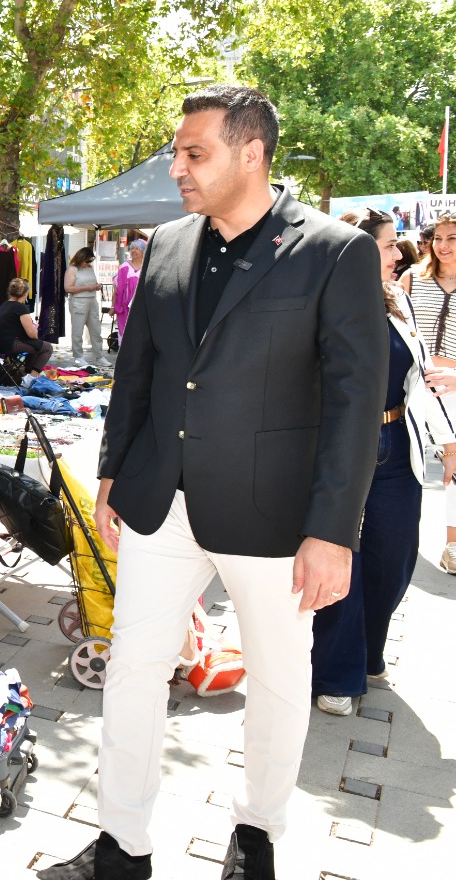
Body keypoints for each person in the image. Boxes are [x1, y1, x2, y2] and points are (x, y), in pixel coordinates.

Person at [42, 85, 385, 880]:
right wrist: (113, 475)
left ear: (252, 153)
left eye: (194, 153)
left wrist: (332, 531)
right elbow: (138, 374)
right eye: (178, 151)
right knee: (132, 667)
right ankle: (121, 847)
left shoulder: (335, 252)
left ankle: (257, 835)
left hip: (275, 517)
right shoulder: (166, 244)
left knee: (276, 678)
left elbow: (354, 403)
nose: (178, 168)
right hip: (162, 501)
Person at [310, 209, 456, 716]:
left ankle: (369, 652)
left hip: (397, 443)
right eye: (390, 245)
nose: (401, 254)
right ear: (356, 248)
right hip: (341, 449)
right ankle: (336, 672)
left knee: (393, 559)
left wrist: (448, 440)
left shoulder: (398, 300)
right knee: (337, 560)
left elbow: (418, 380)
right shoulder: (321, 300)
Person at [398, 213, 456, 572]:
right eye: (438, 238)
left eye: (452, 238)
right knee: (402, 460)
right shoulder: (413, 278)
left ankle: (452, 544)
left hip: (452, 385)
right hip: (411, 384)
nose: (443, 246)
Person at [0, 278, 53, 373]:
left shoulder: (5, 305)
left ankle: (28, 371)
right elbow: (32, 334)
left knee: (37, 344)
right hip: (11, 344)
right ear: (25, 293)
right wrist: (35, 330)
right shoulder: (20, 307)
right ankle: (32, 376)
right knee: (47, 347)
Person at [63, 246, 105, 365]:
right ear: (81, 258)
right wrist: (88, 288)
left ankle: (99, 355)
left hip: (92, 300)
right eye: (87, 261)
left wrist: (96, 286)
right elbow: (68, 288)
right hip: (78, 301)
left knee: (96, 329)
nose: (89, 263)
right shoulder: (72, 269)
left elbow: (91, 282)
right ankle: (78, 355)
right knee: (78, 330)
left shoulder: (90, 269)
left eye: (90, 261)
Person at [112, 239, 146, 342]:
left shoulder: (147, 267)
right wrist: (113, 306)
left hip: (142, 306)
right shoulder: (124, 267)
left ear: (143, 251)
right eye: (132, 249)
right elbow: (116, 289)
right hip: (124, 307)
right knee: (124, 333)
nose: (133, 251)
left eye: (137, 249)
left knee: (140, 332)